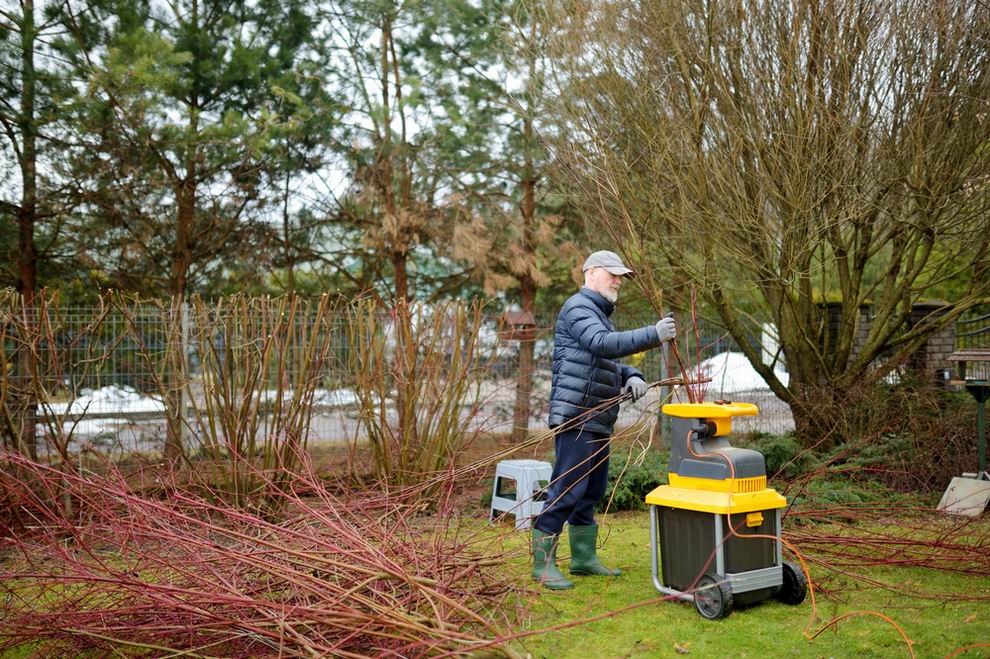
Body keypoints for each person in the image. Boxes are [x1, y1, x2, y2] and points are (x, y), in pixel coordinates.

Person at [532, 250, 676, 590]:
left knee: (590, 491)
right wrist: (653, 334)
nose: (618, 281)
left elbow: (605, 361)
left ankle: (583, 559)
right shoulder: (579, 307)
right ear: (591, 272)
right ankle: (543, 565)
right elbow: (601, 344)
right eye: (612, 273)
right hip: (578, 416)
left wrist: (633, 375)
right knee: (566, 490)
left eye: (621, 276)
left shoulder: (597, 312)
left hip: (596, 417)